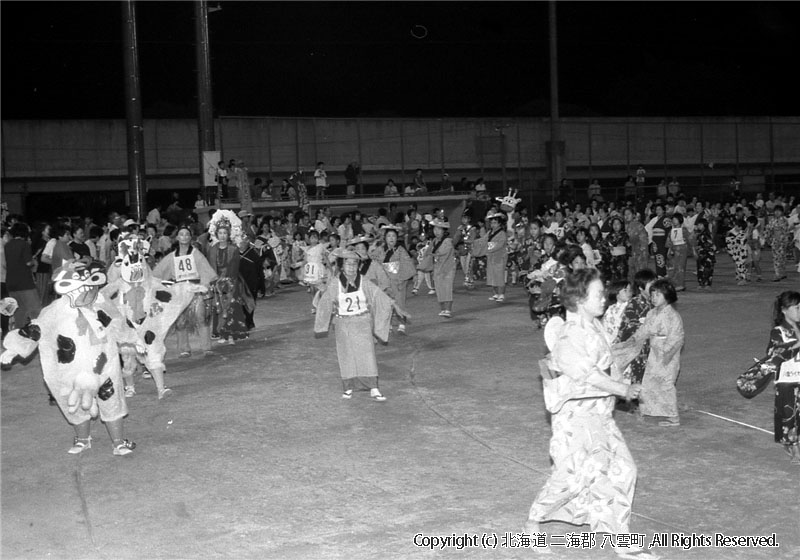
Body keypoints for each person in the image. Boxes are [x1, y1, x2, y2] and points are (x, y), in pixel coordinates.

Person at [525, 269, 653, 560]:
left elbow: (609, 363)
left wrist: (622, 379)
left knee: (624, 470)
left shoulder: (596, 326)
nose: (604, 299)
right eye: (598, 294)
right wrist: (621, 388)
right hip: (575, 420)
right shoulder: (569, 335)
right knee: (571, 479)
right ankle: (533, 522)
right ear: (581, 299)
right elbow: (589, 375)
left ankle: (621, 539)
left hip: (601, 416)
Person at [1, 261, 138, 456]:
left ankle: (118, 442)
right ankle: (83, 439)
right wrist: (14, 349)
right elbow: (37, 328)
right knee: (72, 401)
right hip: (71, 368)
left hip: (104, 364)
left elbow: (117, 322)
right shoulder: (56, 309)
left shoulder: (100, 302)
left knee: (111, 398)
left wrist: (134, 338)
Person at [313, 248, 407, 402]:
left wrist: (394, 305)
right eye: (348, 264)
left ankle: (373, 387)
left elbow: (378, 294)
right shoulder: (336, 283)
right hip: (343, 325)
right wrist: (322, 313)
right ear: (342, 265)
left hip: (362, 323)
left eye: (354, 264)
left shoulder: (363, 281)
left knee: (367, 354)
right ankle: (349, 387)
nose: (351, 267)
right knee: (347, 355)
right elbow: (326, 301)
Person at [622, 279, 685, 427]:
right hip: (654, 352)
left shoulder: (673, 316)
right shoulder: (651, 313)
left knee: (666, 383)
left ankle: (673, 416)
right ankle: (649, 410)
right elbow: (644, 331)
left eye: (658, 294)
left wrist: (666, 354)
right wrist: (633, 340)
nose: (654, 298)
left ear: (667, 295)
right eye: (652, 295)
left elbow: (678, 338)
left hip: (667, 353)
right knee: (649, 382)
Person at [152, 224, 217, 359]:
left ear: (190, 237)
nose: (184, 237)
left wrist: (203, 286)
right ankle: (184, 348)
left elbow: (206, 271)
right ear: (177, 237)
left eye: (187, 234)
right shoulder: (171, 256)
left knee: (201, 317)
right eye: (181, 234)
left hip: (194, 290)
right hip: (179, 291)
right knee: (180, 321)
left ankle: (206, 347)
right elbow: (158, 273)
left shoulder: (196, 254)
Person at [765, 291, 800, 463]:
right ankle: (793, 447)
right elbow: (774, 355)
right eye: (797, 308)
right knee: (789, 415)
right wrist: (796, 345)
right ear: (784, 310)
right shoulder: (778, 332)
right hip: (787, 380)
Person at [207, 219, 249, 344]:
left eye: (225, 233)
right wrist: (215, 281)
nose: (222, 236)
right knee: (218, 307)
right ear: (216, 234)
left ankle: (231, 334)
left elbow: (234, 268)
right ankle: (221, 333)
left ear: (228, 234)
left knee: (231, 306)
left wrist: (228, 281)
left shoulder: (233, 249)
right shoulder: (213, 250)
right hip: (217, 282)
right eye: (220, 233)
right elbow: (211, 267)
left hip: (231, 281)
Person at [374, 225, 415, 333]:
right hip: (385, 280)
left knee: (400, 301)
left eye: (393, 236)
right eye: (389, 236)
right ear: (385, 238)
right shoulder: (380, 249)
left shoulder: (400, 250)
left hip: (398, 280)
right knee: (386, 302)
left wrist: (401, 278)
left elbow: (407, 264)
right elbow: (373, 261)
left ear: (397, 238)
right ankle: (389, 323)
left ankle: (402, 323)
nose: (391, 238)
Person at [5, 222, 42, 329]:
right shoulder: (24, 244)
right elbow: (28, 263)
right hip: (25, 282)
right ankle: (39, 335)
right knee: (36, 309)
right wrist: (34, 261)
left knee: (19, 311)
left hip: (11, 282)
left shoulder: (7, 245)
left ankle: (17, 335)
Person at [430, 218, 455, 318]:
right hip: (438, 268)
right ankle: (443, 309)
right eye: (435, 229)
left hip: (447, 269)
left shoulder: (448, 241)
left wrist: (432, 254)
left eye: (439, 229)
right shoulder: (434, 241)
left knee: (447, 289)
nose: (436, 232)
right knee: (439, 289)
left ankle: (448, 309)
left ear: (444, 231)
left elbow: (443, 252)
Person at [482, 212, 508, 302]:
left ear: (499, 223)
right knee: (492, 275)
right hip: (491, 257)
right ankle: (495, 293)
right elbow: (484, 240)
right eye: (491, 223)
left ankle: (501, 294)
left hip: (500, 257)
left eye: (495, 223)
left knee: (499, 275)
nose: (492, 225)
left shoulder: (502, 233)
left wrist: (487, 248)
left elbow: (499, 245)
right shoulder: (489, 232)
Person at [764, 204, 791, 282]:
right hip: (775, 241)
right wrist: (768, 239)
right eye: (776, 211)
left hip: (782, 241)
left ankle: (781, 273)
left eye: (779, 211)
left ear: (782, 212)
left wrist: (784, 241)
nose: (777, 213)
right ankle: (778, 273)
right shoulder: (772, 221)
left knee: (781, 258)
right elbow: (768, 230)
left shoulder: (785, 220)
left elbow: (786, 232)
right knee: (776, 258)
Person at [666, 212, 690, 291]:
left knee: (680, 267)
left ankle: (680, 285)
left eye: (675, 219)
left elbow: (689, 239)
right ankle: (675, 283)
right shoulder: (671, 231)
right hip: (674, 250)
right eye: (673, 219)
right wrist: (669, 251)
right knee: (673, 267)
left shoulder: (684, 230)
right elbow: (669, 242)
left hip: (682, 250)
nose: (674, 221)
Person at [692, 218, 716, 289]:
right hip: (701, 254)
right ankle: (701, 283)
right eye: (698, 225)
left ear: (704, 225)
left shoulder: (707, 234)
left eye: (700, 225)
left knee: (708, 269)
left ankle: (708, 284)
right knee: (700, 269)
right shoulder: (699, 234)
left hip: (708, 254)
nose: (698, 226)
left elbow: (710, 245)